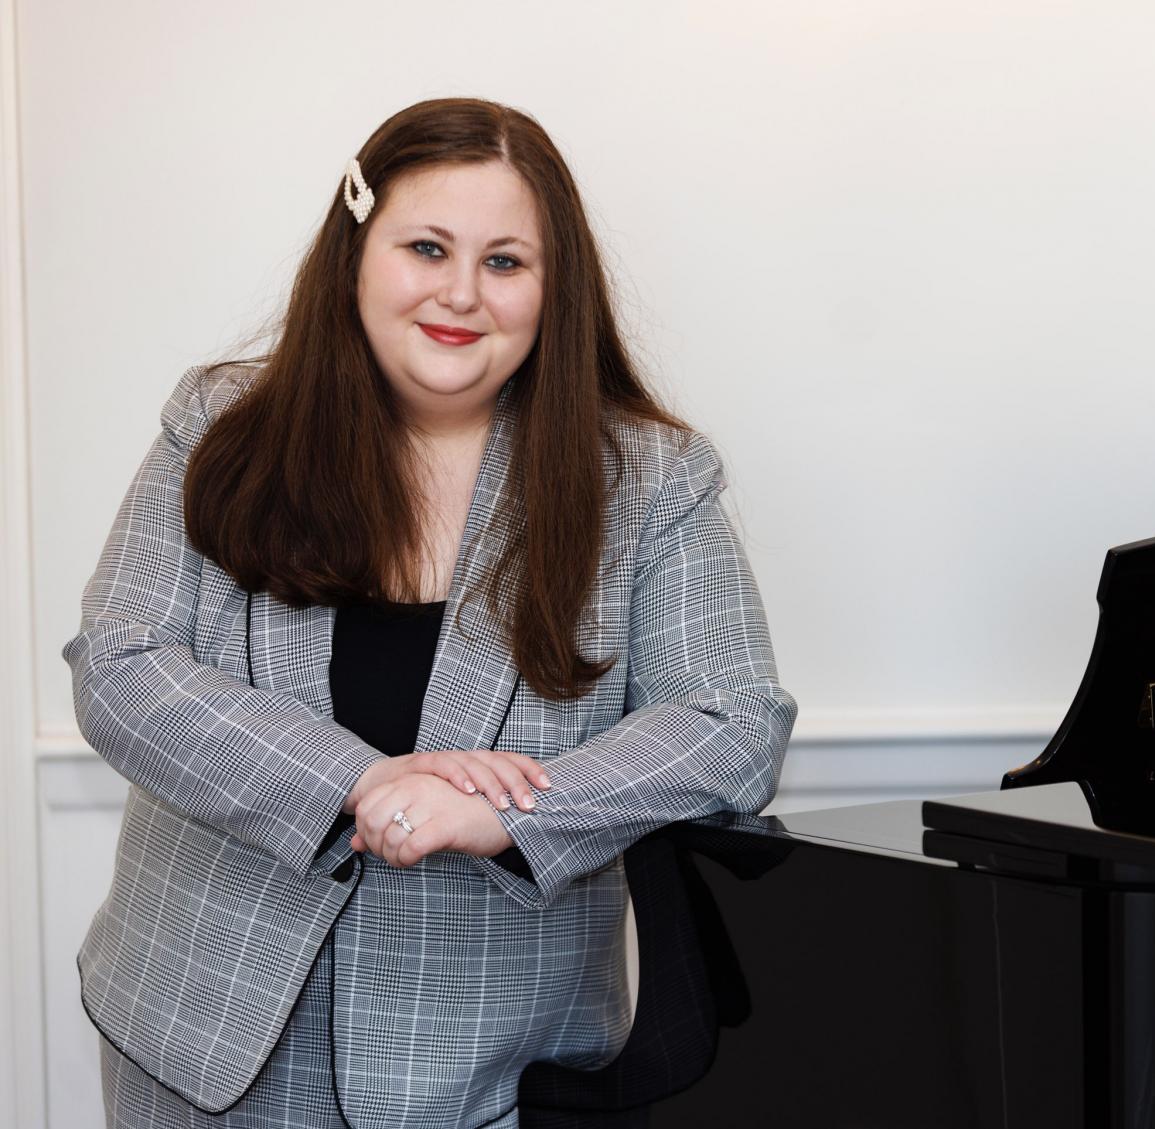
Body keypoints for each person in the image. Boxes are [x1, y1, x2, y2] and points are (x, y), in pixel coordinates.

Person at [64, 97, 797, 1129]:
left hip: (499, 1070)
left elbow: (732, 721)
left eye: (506, 262)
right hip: (201, 1044)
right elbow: (123, 666)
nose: (461, 293)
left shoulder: (652, 476)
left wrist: (508, 812)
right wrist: (359, 779)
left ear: (555, 288)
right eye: (426, 246)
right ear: (357, 250)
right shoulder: (219, 423)